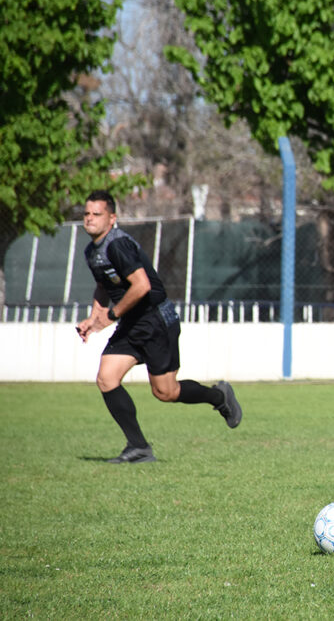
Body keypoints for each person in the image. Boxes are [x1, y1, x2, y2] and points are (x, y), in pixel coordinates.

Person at [75, 190, 242, 463]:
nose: (90, 219)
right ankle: (138, 447)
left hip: (155, 321)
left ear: (112, 218)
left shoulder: (118, 245)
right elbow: (105, 285)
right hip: (131, 323)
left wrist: (112, 315)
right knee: (106, 378)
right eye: (86, 213)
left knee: (166, 392)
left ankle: (218, 396)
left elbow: (142, 286)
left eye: (97, 214)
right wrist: (94, 318)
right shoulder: (92, 251)